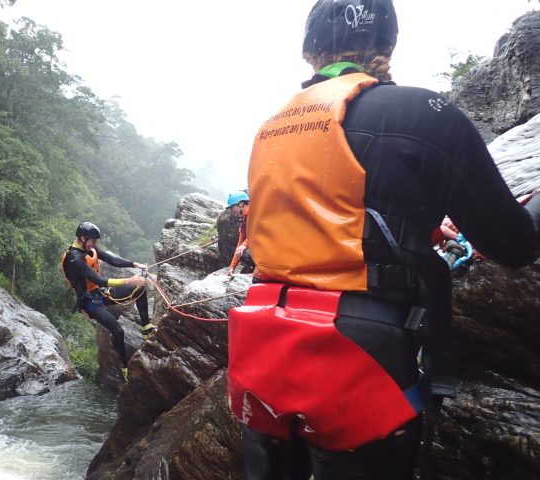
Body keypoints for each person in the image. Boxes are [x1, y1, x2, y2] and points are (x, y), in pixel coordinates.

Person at [227, 1, 540, 479]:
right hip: (358, 359)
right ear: (388, 44)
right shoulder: (422, 113)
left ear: (310, 50)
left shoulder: (271, 128)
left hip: (261, 351)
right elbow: (515, 245)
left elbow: (332, 214)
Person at [62, 222, 156, 379]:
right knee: (118, 330)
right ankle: (125, 368)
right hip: (88, 302)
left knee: (140, 290)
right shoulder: (74, 259)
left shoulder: (89, 249)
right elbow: (99, 280)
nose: (95, 244)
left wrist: (134, 264)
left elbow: (112, 260)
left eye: (95, 241)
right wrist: (128, 281)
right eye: (92, 240)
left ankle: (146, 327)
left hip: (100, 294)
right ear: (82, 238)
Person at [225, 190, 253, 275]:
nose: (230, 210)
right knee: (241, 253)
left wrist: (244, 245)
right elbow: (240, 243)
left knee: (246, 254)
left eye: (232, 207)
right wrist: (232, 267)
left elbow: (259, 233)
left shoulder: (255, 213)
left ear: (241, 203)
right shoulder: (243, 219)